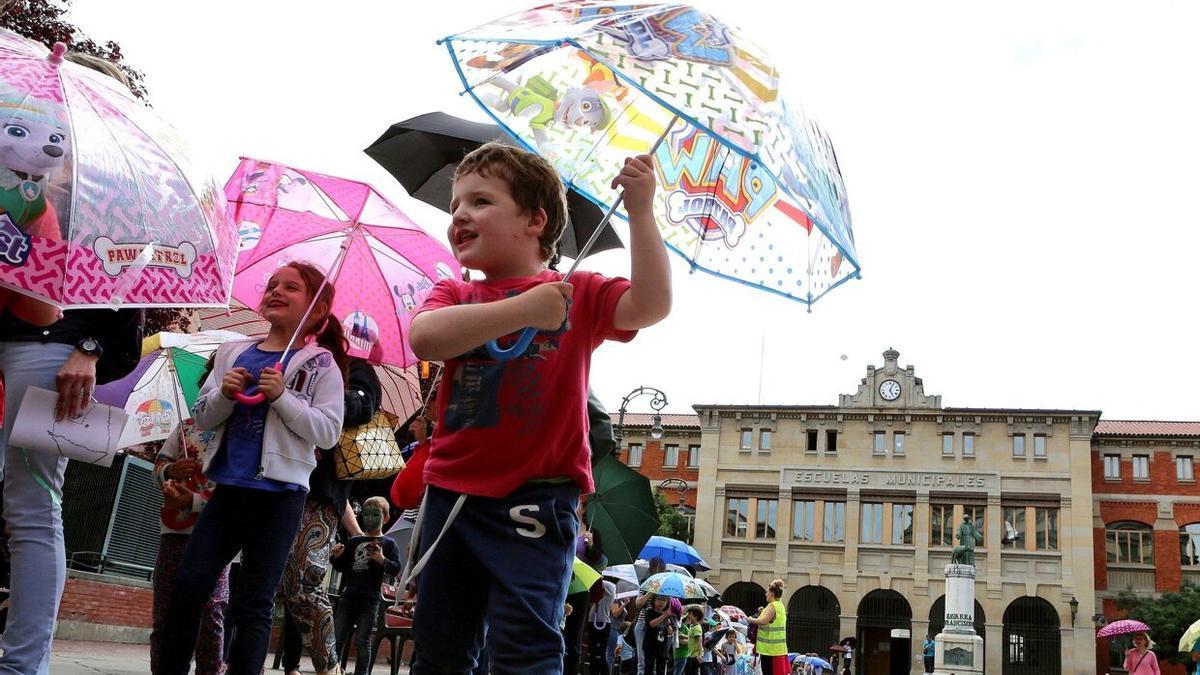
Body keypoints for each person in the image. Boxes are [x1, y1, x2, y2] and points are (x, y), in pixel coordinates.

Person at [406, 139, 671, 675]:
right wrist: (523, 309)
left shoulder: (578, 290)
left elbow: (650, 304)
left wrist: (642, 214)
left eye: (480, 201)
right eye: (456, 204)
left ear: (535, 220)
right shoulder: (454, 293)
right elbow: (426, 338)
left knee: (526, 645)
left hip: (538, 498)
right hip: (452, 493)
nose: (460, 214)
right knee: (440, 645)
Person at [0, 51, 144, 675]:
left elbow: (130, 288)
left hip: (52, 348)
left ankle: (22, 664)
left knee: (32, 507)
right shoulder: (14, 160)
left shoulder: (121, 194)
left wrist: (88, 350)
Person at [158, 261, 347, 675]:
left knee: (255, 602)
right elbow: (203, 417)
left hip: (281, 496)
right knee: (189, 585)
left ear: (316, 309)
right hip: (227, 490)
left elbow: (328, 432)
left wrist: (283, 397)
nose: (276, 291)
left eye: (291, 288)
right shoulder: (231, 352)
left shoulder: (320, 365)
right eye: (272, 285)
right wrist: (225, 395)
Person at [278, 356, 381, 675]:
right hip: (274, 477)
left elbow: (363, 406)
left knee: (304, 581)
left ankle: (328, 667)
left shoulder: (357, 368)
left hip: (320, 491)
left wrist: (313, 394)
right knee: (261, 583)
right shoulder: (292, 358)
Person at [150, 412, 227, 675]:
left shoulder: (242, 430)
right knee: (165, 613)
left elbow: (236, 491)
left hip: (216, 535)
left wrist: (194, 500)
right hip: (174, 532)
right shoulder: (186, 427)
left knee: (211, 612)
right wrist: (171, 470)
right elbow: (159, 464)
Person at [332, 496, 402, 675]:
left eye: (375, 515)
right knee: (338, 638)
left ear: (385, 518)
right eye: (366, 515)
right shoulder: (355, 541)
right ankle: (334, 671)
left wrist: (382, 560)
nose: (369, 519)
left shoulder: (388, 543)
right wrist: (336, 556)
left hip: (370, 600)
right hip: (348, 597)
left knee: (363, 641)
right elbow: (342, 567)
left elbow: (396, 568)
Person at [634, 557, 668, 674]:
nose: (658, 571)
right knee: (642, 660)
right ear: (651, 568)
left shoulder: (666, 587)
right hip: (643, 622)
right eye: (655, 568)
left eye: (661, 569)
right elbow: (638, 604)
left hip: (658, 625)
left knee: (655, 660)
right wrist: (650, 592)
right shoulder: (646, 583)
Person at [748, 580, 788, 675]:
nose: (765, 594)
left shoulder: (772, 606)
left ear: (772, 594)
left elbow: (764, 621)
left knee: (768, 672)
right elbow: (770, 620)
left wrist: (750, 619)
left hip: (769, 649)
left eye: (767, 592)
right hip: (778, 648)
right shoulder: (780, 605)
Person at [642, 595, 673, 675]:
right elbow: (651, 624)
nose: (661, 602)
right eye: (659, 599)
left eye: (664, 600)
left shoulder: (668, 614)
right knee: (649, 667)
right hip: (650, 644)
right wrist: (663, 616)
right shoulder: (650, 611)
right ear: (654, 600)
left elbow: (670, 632)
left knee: (661, 668)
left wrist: (668, 624)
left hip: (662, 646)